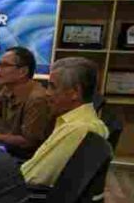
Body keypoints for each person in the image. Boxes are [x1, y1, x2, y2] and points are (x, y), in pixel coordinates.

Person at [22, 57, 109, 186]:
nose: (47, 93)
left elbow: (33, 177)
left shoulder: (77, 129)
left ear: (75, 92)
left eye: (52, 87)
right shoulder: (79, 121)